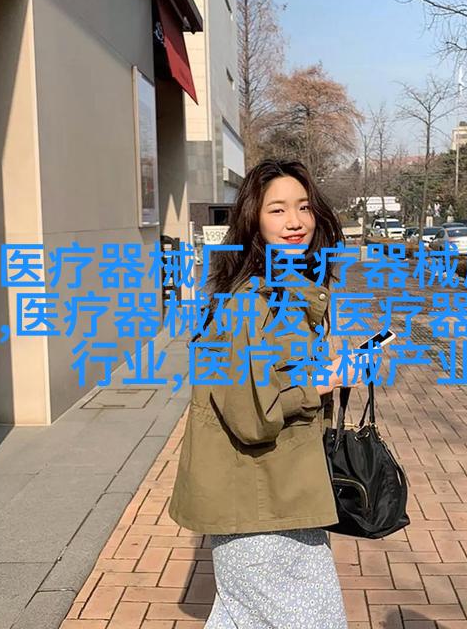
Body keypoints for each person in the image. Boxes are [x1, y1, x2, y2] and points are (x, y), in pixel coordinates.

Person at [169, 159, 360, 628]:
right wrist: (320, 383)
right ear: (253, 220)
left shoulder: (287, 292)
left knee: (243, 618)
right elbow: (251, 417)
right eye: (277, 210)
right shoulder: (251, 302)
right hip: (263, 507)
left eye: (304, 207)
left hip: (278, 495)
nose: (295, 221)